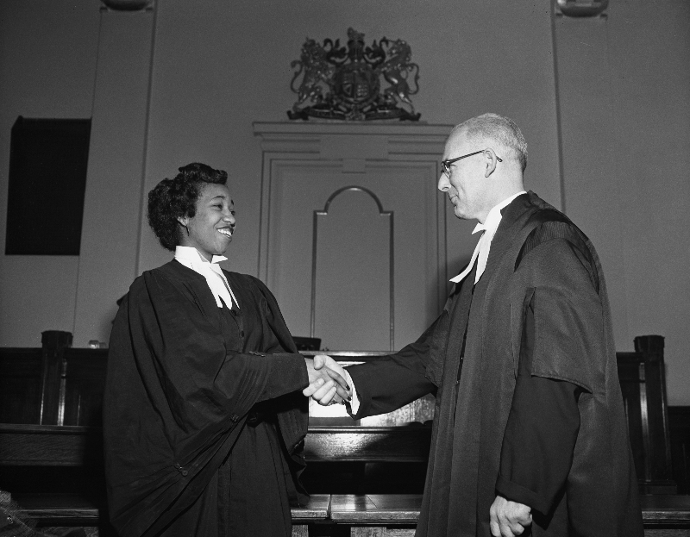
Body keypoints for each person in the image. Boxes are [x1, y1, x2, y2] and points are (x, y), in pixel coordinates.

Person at [308, 114, 643, 537]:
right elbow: (431, 357)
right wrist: (350, 383)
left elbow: (554, 374)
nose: (441, 184)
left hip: (526, 494)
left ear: (488, 161)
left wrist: (522, 486)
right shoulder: (496, 249)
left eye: (448, 167)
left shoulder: (548, 241)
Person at [103, 163, 348, 537]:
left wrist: (319, 376)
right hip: (196, 469)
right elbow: (204, 376)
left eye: (232, 209)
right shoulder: (154, 291)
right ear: (183, 216)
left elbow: (278, 366)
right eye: (218, 207)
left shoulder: (251, 290)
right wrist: (301, 371)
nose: (231, 217)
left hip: (255, 464)